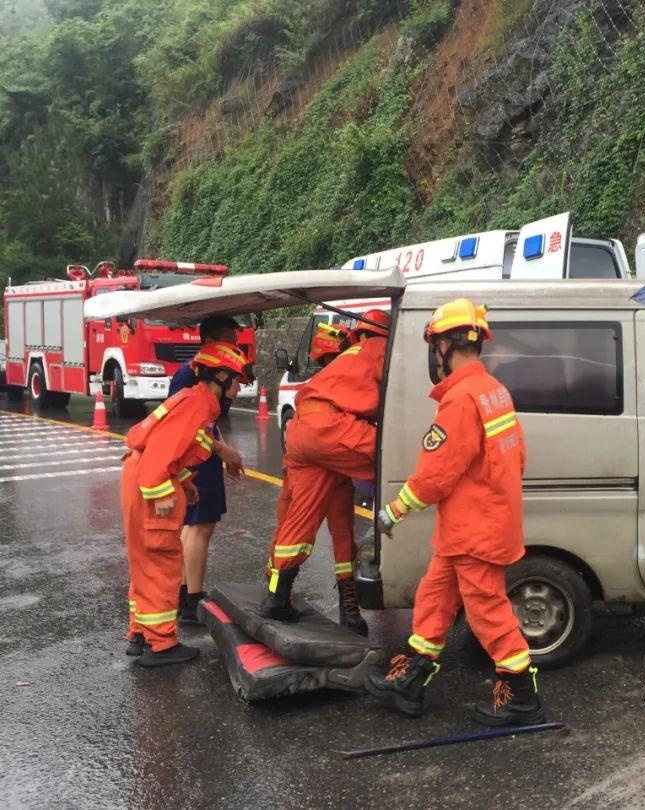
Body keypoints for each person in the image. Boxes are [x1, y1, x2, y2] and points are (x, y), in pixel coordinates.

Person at [364, 298, 541, 727]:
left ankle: (521, 694)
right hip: (473, 526)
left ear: (443, 344)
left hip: (473, 530)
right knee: (433, 598)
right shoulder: (494, 392)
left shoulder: (461, 400)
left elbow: (436, 474)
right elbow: (519, 457)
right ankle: (411, 681)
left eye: (434, 343)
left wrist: (393, 512)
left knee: (487, 613)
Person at [259, 309, 392, 633]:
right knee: (398, 452)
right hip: (329, 430)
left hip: (305, 432)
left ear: (356, 334)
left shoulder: (347, 359)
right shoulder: (381, 350)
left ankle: (278, 596)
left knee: (306, 517)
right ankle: (347, 607)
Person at [122, 342, 251, 667]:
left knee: (143, 561)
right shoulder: (198, 406)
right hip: (147, 480)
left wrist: (184, 482)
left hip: (138, 476)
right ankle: (162, 644)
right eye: (236, 381)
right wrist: (162, 491)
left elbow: (170, 446)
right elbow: (158, 456)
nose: (237, 389)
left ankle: (140, 633)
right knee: (162, 559)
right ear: (221, 376)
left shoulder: (194, 401)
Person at [168, 315, 247, 624]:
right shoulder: (192, 376)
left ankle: (187, 592)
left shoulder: (199, 373)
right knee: (200, 526)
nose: (236, 344)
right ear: (213, 340)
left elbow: (209, 424)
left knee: (196, 525)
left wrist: (223, 451)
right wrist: (223, 450)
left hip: (202, 457)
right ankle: (192, 600)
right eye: (230, 338)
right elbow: (188, 427)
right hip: (196, 459)